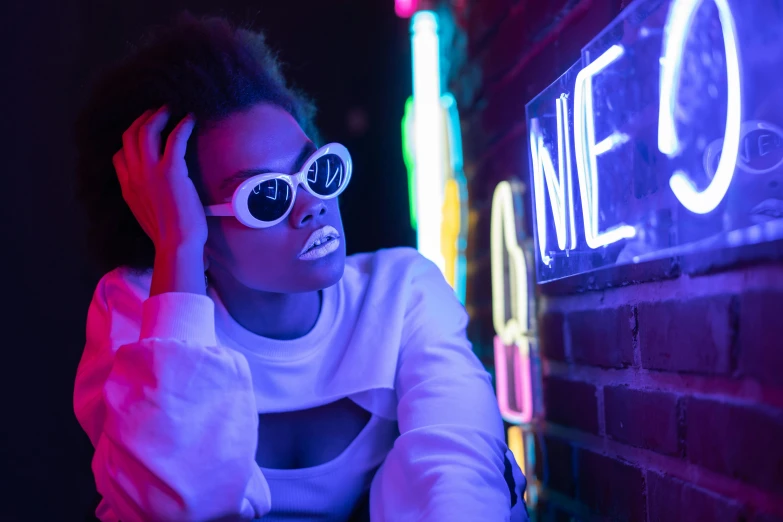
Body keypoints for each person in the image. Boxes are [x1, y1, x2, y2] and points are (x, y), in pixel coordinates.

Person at [73, 13, 528, 522]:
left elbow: (461, 475)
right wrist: (176, 249)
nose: (311, 203)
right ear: (187, 225)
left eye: (318, 170)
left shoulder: (401, 293)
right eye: (265, 196)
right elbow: (167, 507)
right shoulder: (142, 311)